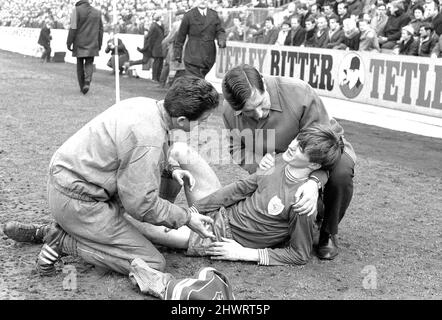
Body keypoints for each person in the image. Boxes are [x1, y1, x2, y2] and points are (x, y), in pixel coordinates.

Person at [3, 76, 219, 298]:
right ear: (182, 120)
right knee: (153, 262)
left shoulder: (148, 106)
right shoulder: (147, 136)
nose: (201, 125)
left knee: (139, 224)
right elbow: (141, 205)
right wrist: (186, 218)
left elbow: (142, 151)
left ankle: (67, 230)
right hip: (80, 202)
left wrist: (171, 168)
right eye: (201, 121)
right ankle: (62, 240)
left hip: (73, 187)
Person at [134, 125, 345, 267]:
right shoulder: (281, 160)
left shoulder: (303, 203)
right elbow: (240, 189)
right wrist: (194, 211)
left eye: (300, 149)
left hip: (219, 236)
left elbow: (299, 254)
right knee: (180, 150)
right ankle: (164, 203)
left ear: (315, 165)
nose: (291, 146)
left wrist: (244, 253)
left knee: (141, 219)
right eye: (296, 141)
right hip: (220, 213)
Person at [221, 64, 356, 260]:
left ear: (264, 86)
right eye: (249, 112)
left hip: (322, 150)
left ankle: (327, 231)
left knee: (341, 173)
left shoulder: (299, 93)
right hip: (281, 160)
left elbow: (322, 145)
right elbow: (237, 148)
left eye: (261, 104)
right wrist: (259, 163)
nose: (258, 114)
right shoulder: (228, 111)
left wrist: (314, 182)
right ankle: (289, 225)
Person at [174, 0, 226, 78]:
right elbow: (181, 35)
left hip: (208, 55)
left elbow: (220, 30)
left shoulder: (214, 15)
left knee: (200, 79)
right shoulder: (189, 15)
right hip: (193, 54)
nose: (202, 1)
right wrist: (178, 53)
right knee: (195, 81)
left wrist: (221, 39)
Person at [66, 0, 103, 95]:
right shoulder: (97, 12)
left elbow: (73, 28)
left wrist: (69, 42)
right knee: (89, 62)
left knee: (80, 64)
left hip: (79, 43)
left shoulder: (76, 10)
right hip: (92, 42)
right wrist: (100, 44)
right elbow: (100, 30)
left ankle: (82, 86)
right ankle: (87, 81)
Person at [147, 12, 165, 82]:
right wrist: (150, 47)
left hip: (160, 47)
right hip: (156, 47)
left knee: (160, 62)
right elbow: (150, 37)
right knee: (157, 62)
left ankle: (158, 77)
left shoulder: (160, 25)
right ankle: (154, 77)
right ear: (159, 18)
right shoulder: (154, 26)